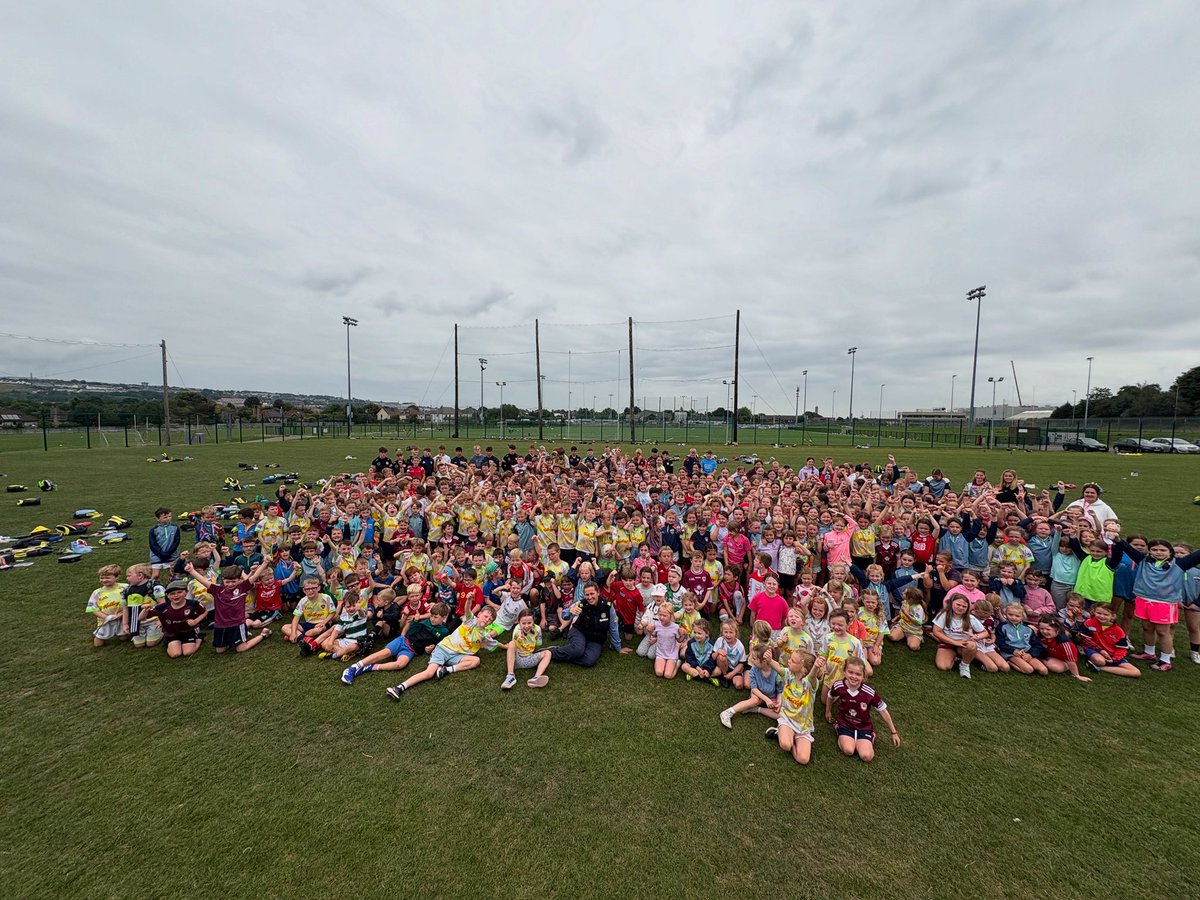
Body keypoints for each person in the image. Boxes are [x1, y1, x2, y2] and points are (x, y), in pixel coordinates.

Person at [1119, 539, 1200, 671]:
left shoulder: (1180, 563)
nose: (1159, 552)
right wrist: (1116, 539)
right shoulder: (1143, 560)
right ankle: (1149, 653)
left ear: (1170, 552)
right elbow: (1127, 548)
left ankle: (1165, 660)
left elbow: (1197, 555)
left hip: (1164, 603)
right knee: (1146, 627)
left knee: (1163, 632)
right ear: (1149, 551)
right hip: (1144, 599)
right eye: (1155, 550)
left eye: (1163, 550)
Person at [386, 606, 499, 699]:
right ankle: (399, 687)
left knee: (476, 660)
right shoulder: (471, 620)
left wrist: (507, 647)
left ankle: (446, 670)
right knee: (429, 673)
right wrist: (469, 599)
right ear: (479, 614)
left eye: (490, 620)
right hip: (443, 649)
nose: (486, 619)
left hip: (456, 655)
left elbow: (494, 643)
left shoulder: (485, 635)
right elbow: (467, 610)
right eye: (485, 616)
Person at [341, 602, 452, 684]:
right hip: (404, 641)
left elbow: (439, 645)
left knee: (400, 664)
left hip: (411, 650)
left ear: (443, 618)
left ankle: (370, 667)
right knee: (384, 653)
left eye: (435, 617)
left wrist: (431, 648)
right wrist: (415, 622)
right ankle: (353, 667)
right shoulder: (425, 622)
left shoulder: (445, 632)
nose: (432, 619)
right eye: (431, 616)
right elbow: (411, 630)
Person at [185, 559, 273, 654]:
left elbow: (255, 576)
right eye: (227, 582)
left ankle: (263, 635)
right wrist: (191, 571)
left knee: (241, 649)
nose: (230, 584)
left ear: (239, 580)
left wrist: (265, 563)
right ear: (223, 580)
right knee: (220, 650)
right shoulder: (217, 589)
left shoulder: (243, 587)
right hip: (221, 625)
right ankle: (231, 639)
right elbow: (203, 581)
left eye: (233, 581)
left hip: (237, 624)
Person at [825, 658, 900, 763]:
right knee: (849, 750)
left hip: (863, 727)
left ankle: (869, 737)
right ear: (844, 672)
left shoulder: (869, 692)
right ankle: (839, 728)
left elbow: (883, 710)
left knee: (866, 756)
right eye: (850, 672)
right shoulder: (839, 685)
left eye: (858, 674)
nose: (854, 677)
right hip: (845, 723)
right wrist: (828, 711)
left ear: (863, 676)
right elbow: (830, 696)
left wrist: (893, 732)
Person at [764, 650, 827, 766]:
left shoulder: (809, 684)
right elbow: (778, 668)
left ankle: (783, 734)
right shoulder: (788, 674)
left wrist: (816, 667)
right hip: (787, 719)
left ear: (803, 669)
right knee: (786, 745)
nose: (789, 661)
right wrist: (769, 660)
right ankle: (783, 733)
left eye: (793, 660)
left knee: (803, 759)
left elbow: (812, 677)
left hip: (803, 726)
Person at [548, 581, 628, 668]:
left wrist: (618, 647)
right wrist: (571, 611)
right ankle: (550, 652)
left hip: (596, 639)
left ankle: (568, 652)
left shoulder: (607, 606)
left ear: (598, 592)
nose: (590, 597)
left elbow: (614, 627)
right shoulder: (581, 603)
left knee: (589, 661)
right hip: (579, 632)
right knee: (578, 650)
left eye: (592, 594)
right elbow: (564, 614)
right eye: (587, 595)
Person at [141, 580, 207, 658]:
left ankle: (199, 639)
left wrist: (195, 621)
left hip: (189, 631)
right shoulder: (163, 607)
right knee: (175, 654)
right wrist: (145, 611)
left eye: (179, 592)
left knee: (188, 652)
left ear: (186, 592)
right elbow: (141, 618)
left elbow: (204, 612)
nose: (176, 595)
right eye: (172, 594)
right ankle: (169, 642)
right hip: (171, 633)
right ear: (167, 595)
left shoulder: (193, 604)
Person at [718, 647, 780, 728]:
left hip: (772, 695)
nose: (751, 660)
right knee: (754, 700)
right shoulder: (753, 670)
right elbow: (754, 689)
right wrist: (766, 699)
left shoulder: (776, 671)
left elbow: (780, 690)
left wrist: (779, 701)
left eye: (754, 659)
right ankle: (728, 712)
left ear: (764, 661)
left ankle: (756, 709)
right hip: (758, 692)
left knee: (780, 714)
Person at [931, 593, 986, 679]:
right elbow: (936, 632)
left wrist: (976, 636)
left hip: (964, 645)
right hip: (948, 644)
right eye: (958, 604)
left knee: (972, 645)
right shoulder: (944, 614)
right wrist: (955, 642)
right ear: (952, 603)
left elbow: (985, 632)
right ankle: (957, 657)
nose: (961, 608)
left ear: (968, 608)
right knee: (943, 667)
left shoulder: (970, 618)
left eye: (964, 606)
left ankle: (964, 665)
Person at [1078, 603, 1140, 677]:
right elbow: (1085, 640)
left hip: (1112, 655)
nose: (1101, 616)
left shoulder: (1119, 631)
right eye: (1098, 613)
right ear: (1094, 612)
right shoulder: (1089, 623)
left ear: (1113, 616)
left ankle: (1099, 668)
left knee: (1136, 673)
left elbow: (1122, 649)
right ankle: (1099, 664)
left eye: (1106, 614)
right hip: (1095, 650)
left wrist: (1114, 659)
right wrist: (1101, 650)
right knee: (1099, 661)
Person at [501, 609, 552, 689]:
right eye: (523, 623)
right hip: (516, 661)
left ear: (533, 621)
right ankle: (510, 676)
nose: (527, 626)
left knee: (548, 653)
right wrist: (519, 637)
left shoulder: (537, 629)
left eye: (529, 623)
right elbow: (518, 634)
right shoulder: (517, 629)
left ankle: (536, 678)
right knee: (511, 644)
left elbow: (537, 645)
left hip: (529, 659)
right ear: (519, 622)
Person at [995, 604, 1047, 675]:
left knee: (1044, 671)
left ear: (1022, 617)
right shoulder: (1002, 627)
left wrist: (1030, 654)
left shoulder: (1028, 629)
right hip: (1011, 653)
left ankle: (1026, 662)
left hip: (1026, 652)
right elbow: (1000, 643)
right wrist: (1013, 651)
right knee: (1029, 670)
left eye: (1017, 616)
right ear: (1006, 614)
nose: (1013, 617)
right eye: (1010, 614)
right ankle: (1010, 662)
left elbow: (1037, 644)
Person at [122, 563, 165, 649]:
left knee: (151, 643)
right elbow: (125, 608)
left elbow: (162, 604)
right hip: (136, 622)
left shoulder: (154, 586)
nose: (127, 578)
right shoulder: (127, 590)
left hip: (153, 620)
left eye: (129, 576)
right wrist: (125, 624)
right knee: (139, 645)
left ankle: (162, 632)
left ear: (140, 576)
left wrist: (161, 620)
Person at [86, 564, 127, 647]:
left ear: (117, 577)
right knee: (98, 644)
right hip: (105, 621)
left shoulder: (125, 588)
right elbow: (93, 609)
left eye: (107, 578)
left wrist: (122, 614)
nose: (104, 580)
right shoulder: (97, 593)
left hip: (123, 618)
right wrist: (107, 617)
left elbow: (131, 604)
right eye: (101, 578)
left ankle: (123, 634)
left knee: (124, 637)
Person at [148, 506, 181, 582]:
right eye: (165, 517)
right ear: (158, 519)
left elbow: (176, 541)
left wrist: (169, 553)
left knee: (172, 574)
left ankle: (171, 589)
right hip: (157, 556)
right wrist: (161, 554)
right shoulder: (154, 530)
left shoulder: (175, 527)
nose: (168, 518)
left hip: (172, 555)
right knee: (155, 575)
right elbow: (153, 544)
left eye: (170, 516)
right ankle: (150, 589)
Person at [648, 602, 681, 679]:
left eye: (664, 615)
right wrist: (650, 631)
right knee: (659, 673)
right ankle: (663, 663)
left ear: (671, 616)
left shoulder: (675, 627)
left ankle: (677, 664)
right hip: (660, 653)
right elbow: (654, 635)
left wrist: (683, 634)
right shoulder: (656, 625)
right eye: (660, 615)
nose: (661, 617)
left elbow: (679, 640)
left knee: (668, 675)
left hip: (671, 654)